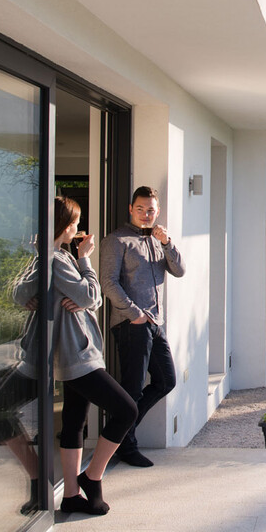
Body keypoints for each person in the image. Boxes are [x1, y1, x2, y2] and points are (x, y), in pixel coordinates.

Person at [14, 196, 138, 515]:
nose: (78, 229)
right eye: (75, 223)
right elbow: (91, 295)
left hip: (73, 352)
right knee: (126, 410)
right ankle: (91, 478)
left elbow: (23, 294)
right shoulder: (59, 259)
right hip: (78, 355)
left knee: (73, 421)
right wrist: (85, 261)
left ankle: (71, 495)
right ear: (65, 226)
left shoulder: (52, 257)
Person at [100, 186, 185, 467]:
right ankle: (125, 445)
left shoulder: (157, 240)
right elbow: (108, 283)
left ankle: (122, 436)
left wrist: (167, 243)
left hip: (155, 324)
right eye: (140, 209)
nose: (146, 214)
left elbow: (179, 270)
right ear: (130, 209)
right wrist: (135, 314)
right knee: (132, 389)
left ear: (157, 211)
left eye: (151, 210)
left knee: (166, 381)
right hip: (131, 323)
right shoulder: (116, 240)